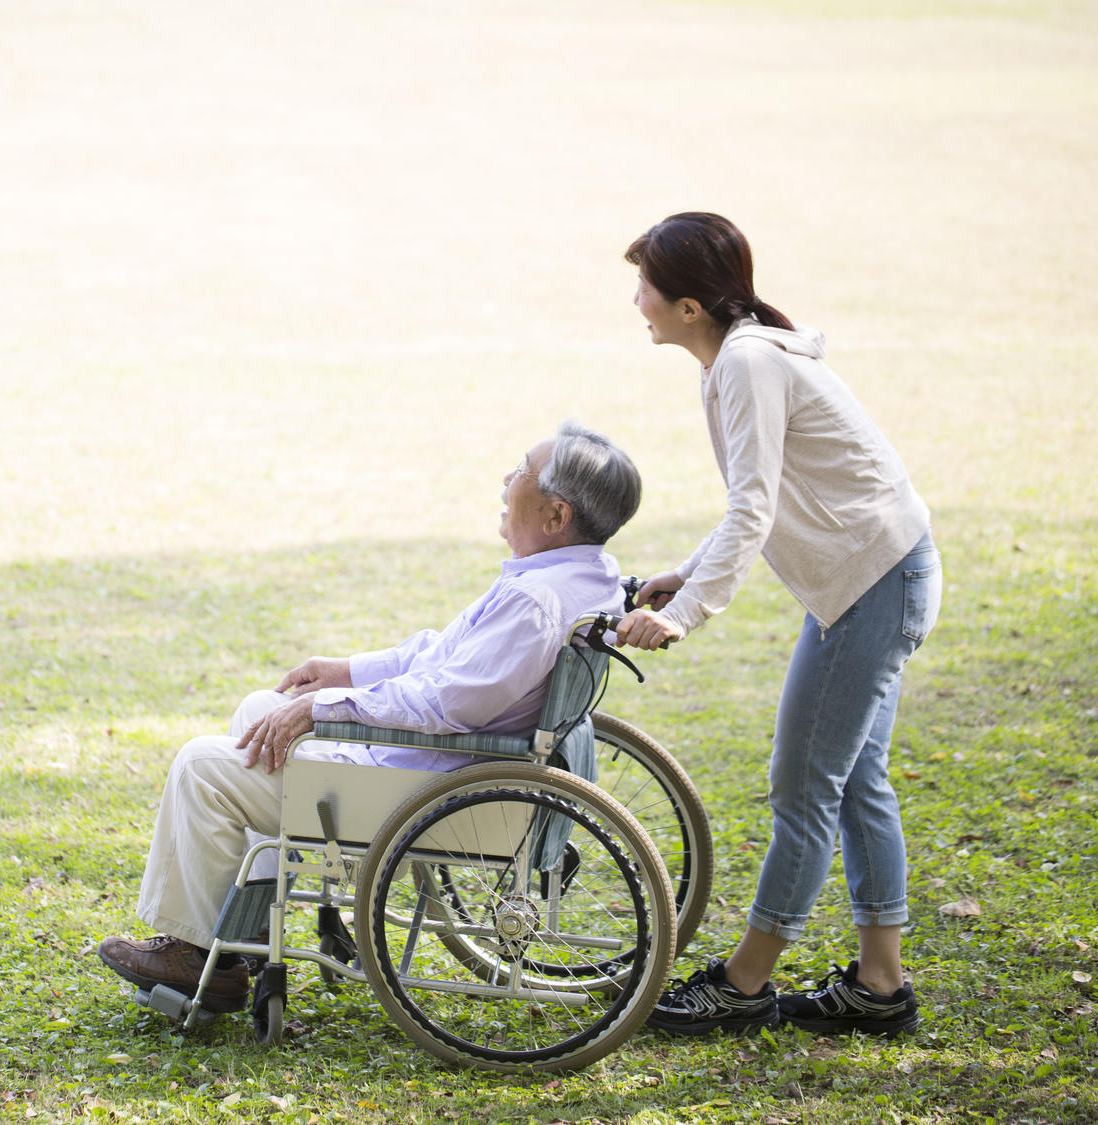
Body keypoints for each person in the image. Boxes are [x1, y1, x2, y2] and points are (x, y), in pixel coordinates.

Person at [97, 421, 643, 1011]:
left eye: (520, 472)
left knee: (202, 766)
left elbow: (449, 701)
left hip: (426, 790)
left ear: (555, 516)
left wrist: (326, 707)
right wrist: (345, 672)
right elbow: (440, 657)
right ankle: (238, 940)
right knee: (261, 712)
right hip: (447, 770)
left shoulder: (535, 602)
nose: (507, 481)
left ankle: (199, 953)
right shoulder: (582, 576)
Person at [615, 212, 941, 1037]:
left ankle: (744, 984)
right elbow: (758, 501)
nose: (637, 301)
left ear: (690, 305)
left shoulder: (747, 363)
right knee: (857, 780)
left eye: (647, 286)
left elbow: (754, 506)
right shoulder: (737, 357)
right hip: (878, 576)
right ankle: (878, 987)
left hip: (873, 582)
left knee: (802, 786)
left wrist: (686, 613)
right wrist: (682, 573)